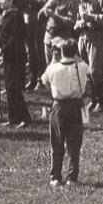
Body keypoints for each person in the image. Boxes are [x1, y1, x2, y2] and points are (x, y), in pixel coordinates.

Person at [40, 38, 91, 187]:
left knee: (57, 142)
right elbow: (89, 79)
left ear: (60, 52)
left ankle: (55, 176)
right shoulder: (82, 66)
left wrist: (54, 60)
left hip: (59, 106)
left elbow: (44, 82)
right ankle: (72, 178)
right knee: (74, 144)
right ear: (76, 52)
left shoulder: (53, 69)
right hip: (76, 105)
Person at [0, 0, 32, 127]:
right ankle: (13, 118)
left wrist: (2, 50)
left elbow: (14, 38)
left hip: (16, 56)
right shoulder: (6, 15)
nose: (0, 2)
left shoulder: (16, 16)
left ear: (11, 1)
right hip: (9, 55)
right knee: (9, 87)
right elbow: (5, 35)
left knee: (14, 87)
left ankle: (25, 118)